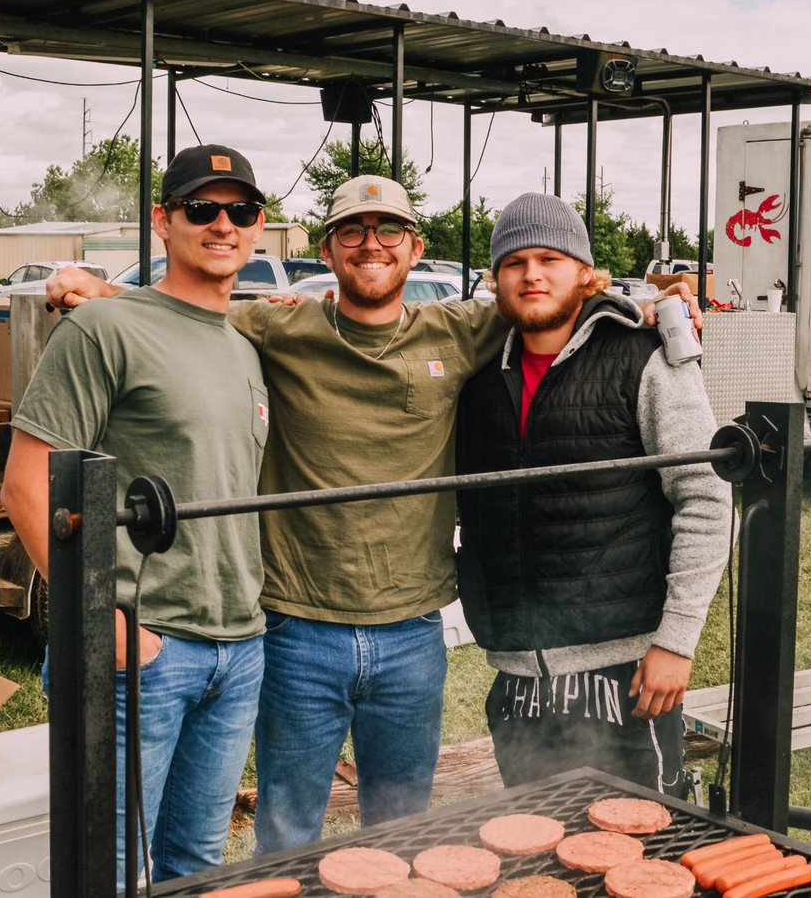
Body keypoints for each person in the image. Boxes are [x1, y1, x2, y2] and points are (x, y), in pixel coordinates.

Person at [47, 176, 703, 853]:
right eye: (352, 230)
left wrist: (659, 304)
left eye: (389, 229)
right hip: (299, 629)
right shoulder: (278, 326)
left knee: (401, 834)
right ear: (327, 250)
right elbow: (192, 312)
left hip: (413, 635)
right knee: (288, 833)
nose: (372, 244)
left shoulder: (462, 329)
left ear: (415, 248)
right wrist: (104, 292)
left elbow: (559, 299)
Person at [1, 144, 270, 886]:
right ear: (162, 220)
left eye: (241, 211)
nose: (222, 224)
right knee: (111, 874)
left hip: (236, 652)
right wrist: (107, 626)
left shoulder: (244, 348)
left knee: (195, 868)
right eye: (201, 208)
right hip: (142, 654)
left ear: (258, 225)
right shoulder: (102, 332)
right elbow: (25, 487)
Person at [454, 192, 731, 796]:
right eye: (514, 262)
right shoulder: (475, 379)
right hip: (518, 676)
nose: (532, 274)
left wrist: (676, 643)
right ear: (496, 279)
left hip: (627, 672)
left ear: (585, 272)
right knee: (534, 842)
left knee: (647, 838)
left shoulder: (644, 357)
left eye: (549, 259)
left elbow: (705, 498)